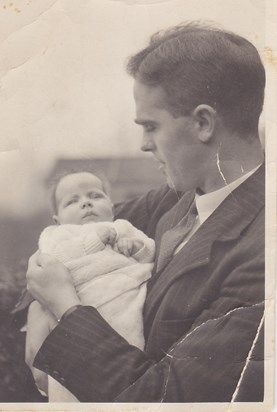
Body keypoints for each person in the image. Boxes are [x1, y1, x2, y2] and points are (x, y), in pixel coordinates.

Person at [25, 22, 265, 402]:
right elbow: (75, 230)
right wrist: (37, 309)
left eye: (150, 126)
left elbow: (163, 399)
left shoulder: (262, 257)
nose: (142, 145)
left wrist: (64, 310)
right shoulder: (178, 196)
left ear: (203, 123)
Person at [25, 170, 155, 402]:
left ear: (112, 206)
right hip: (80, 302)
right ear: (57, 218)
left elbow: (150, 252)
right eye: (72, 201)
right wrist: (95, 240)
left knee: (127, 353)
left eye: (95, 196)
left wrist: (135, 247)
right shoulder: (56, 234)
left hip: (126, 300)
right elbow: (55, 260)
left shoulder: (122, 227)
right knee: (72, 382)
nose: (86, 203)